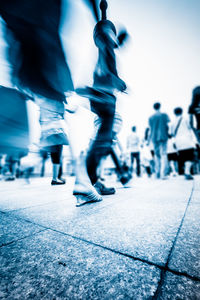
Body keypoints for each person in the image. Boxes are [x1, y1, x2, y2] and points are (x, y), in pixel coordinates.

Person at [171, 107, 197, 180]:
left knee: (184, 158)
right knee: (190, 158)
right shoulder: (186, 119)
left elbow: (172, 133)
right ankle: (187, 172)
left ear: (174, 113)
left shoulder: (172, 122)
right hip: (187, 141)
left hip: (178, 142)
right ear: (182, 112)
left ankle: (187, 172)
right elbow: (191, 127)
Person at [148, 102, 170, 179]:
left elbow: (150, 128)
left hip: (154, 137)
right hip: (163, 136)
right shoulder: (164, 115)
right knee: (164, 154)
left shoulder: (151, 117)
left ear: (154, 107)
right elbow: (167, 126)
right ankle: (163, 174)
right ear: (160, 106)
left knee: (157, 155)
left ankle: (157, 173)